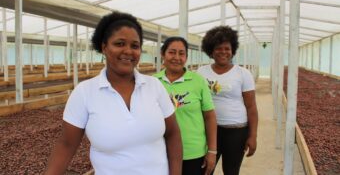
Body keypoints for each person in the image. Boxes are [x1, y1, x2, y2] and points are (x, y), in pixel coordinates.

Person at [45, 11, 182, 175]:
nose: (128, 51)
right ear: (104, 47)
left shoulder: (154, 86)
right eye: (119, 43)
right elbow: (66, 145)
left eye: (135, 46)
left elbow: (173, 134)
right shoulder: (85, 92)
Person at [197, 26, 258, 175]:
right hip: (208, 130)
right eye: (218, 48)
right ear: (211, 50)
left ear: (233, 50)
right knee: (205, 170)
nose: (223, 52)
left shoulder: (243, 74)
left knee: (231, 171)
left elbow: (251, 107)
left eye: (227, 49)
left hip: (236, 131)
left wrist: (253, 135)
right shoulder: (201, 72)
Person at [154, 36, 217, 175]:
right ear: (162, 54)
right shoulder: (153, 82)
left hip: (194, 153)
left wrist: (212, 151)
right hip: (161, 151)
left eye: (181, 53)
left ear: (186, 57)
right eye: (172, 52)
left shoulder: (198, 81)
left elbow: (210, 116)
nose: (177, 57)